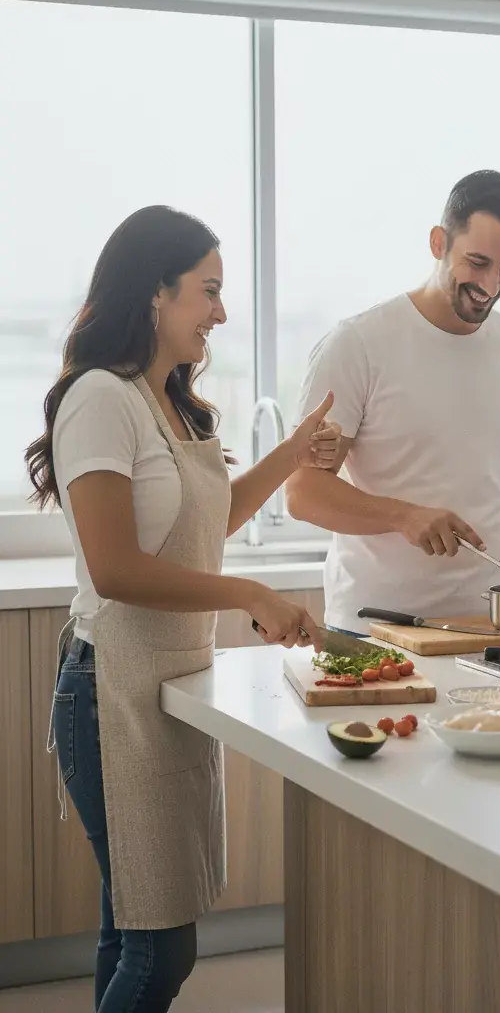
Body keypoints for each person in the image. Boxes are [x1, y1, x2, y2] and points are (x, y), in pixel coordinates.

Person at [24, 204, 341, 1012]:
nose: (222, 313)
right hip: (110, 694)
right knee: (162, 947)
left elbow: (208, 522)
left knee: (128, 926)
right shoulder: (101, 398)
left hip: (164, 689)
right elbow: (117, 567)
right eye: (209, 291)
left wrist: (296, 452)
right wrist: (250, 594)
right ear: (155, 294)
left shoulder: (164, 398)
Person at [286, 170, 500, 632]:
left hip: (488, 625)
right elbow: (304, 492)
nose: (491, 284)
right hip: (375, 626)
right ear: (438, 242)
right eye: (478, 262)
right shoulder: (360, 343)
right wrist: (403, 516)